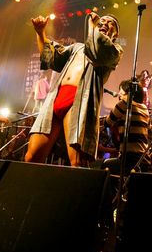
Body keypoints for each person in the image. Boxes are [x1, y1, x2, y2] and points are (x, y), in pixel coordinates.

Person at [24, 12, 123, 167]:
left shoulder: (114, 50)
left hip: (80, 103)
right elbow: (51, 57)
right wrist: (40, 33)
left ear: (115, 34)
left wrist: (92, 26)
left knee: (77, 162)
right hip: (56, 98)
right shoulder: (77, 48)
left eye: (110, 23)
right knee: (32, 157)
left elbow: (97, 52)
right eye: (102, 20)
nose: (104, 22)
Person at [101, 82, 150, 174]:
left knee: (105, 164)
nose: (119, 94)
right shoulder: (144, 108)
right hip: (144, 159)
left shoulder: (123, 103)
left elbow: (107, 123)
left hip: (130, 159)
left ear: (128, 93)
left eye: (121, 91)